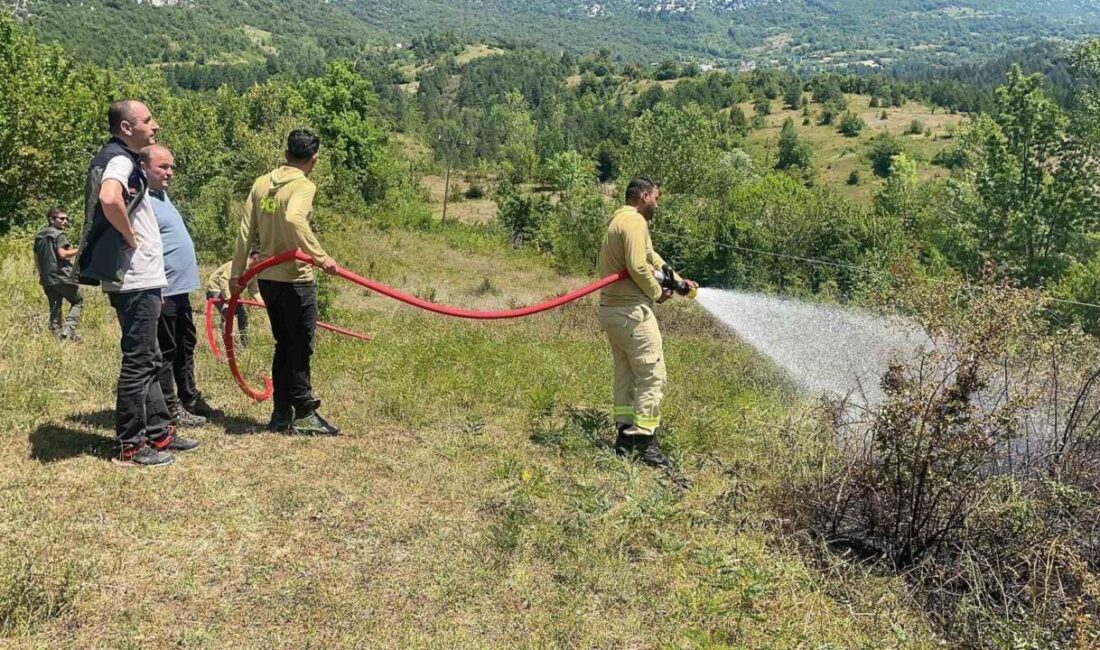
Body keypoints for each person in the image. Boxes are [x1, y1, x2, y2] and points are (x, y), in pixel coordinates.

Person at [75, 99, 198, 467]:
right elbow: (110, 198)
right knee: (139, 360)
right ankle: (130, 445)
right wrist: (130, 237)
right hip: (133, 278)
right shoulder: (121, 159)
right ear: (127, 128)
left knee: (153, 357)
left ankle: (159, 434)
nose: (155, 125)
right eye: (147, 120)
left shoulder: (120, 158)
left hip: (141, 278)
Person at [231, 129, 340, 436]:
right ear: (314, 159)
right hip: (295, 279)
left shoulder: (262, 183)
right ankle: (304, 412)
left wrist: (237, 276)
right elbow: (294, 218)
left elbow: (244, 232)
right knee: (301, 347)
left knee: (284, 344)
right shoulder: (303, 185)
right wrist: (320, 256)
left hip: (267, 278)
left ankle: (281, 413)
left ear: (286, 153)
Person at [597, 176, 696, 469]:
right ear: (643, 195)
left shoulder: (622, 220)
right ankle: (644, 442)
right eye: (656, 197)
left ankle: (625, 436)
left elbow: (650, 256)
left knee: (627, 373)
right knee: (653, 373)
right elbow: (638, 266)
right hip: (631, 312)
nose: (657, 203)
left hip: (612, 310)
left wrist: (677, 281)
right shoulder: (636, 222)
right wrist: (657, 293)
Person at [143, 144, 223, 429]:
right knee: (166, 351)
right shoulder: (142, 201)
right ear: (143, 168)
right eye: (163, 167)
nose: (170, 172)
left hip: (180, 290)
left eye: (171, 166)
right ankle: (169, 408)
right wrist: (157, 289)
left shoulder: (161, 196)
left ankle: (189, 396)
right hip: (162, 289)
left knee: (185, 344)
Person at [33, 207, 84, 341]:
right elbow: (63, 254)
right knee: (78, 301)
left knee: (55, 306)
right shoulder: (59, 234)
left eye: (66, 218)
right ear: (51, 220)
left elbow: (37, 258)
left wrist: (42, 274)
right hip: (63, 276)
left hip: (47, 278)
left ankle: (57, 335)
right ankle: (68, 330)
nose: (65, 221)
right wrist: (81, 249)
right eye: (61, 218)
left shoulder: (39, 236)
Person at [206, 252, 262, 348]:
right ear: (254, 258)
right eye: (260, 260)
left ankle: (244, 345)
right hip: (216, 289)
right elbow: (223, 279)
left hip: (232, 294)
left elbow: (254, 291)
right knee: (227, 313)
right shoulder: (238, 266)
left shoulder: (253, 273)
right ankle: (228, 348)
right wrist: (228, 298)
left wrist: (262, 303)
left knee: (242, 315)